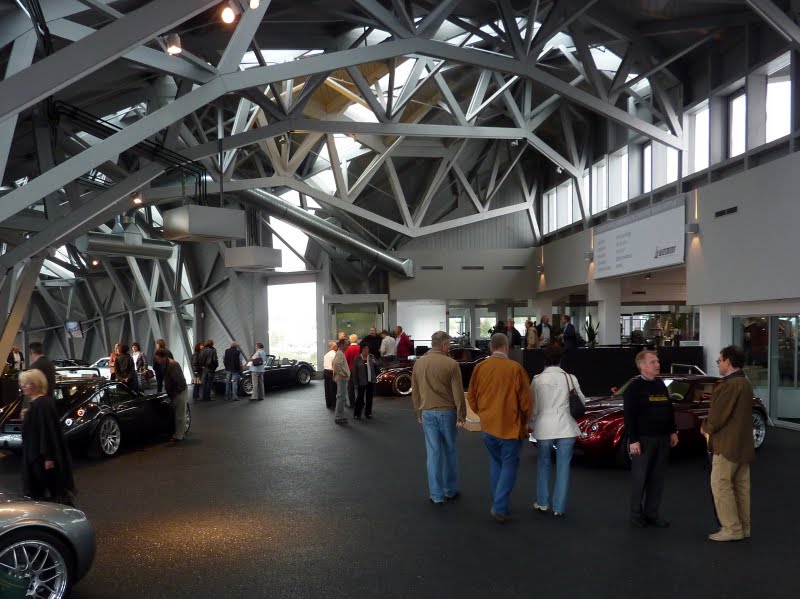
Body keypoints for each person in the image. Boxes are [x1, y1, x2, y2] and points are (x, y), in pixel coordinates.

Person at [468, 333, 532, 522]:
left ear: (491, 347)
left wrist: (483, 413)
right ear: (506, 346)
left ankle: (499, 501)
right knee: (509, 465)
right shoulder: (515, 368)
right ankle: (499, 507)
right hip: (510, 427)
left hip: (488, 427)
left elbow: (471, 396)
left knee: (496, 463)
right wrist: (527, 421)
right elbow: (526, 402)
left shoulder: (480, 367)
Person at [701, 345, 755, 542]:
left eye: (719, 361)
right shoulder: (745, 383)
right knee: (741, 488)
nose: (718, 364)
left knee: (720, 485)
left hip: (727, 445)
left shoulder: (729, 385)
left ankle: (731, 529)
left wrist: (706, 427)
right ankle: (744, 527)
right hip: (743, 445)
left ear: (728, 362)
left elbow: (717, 416)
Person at [623, 350, 679, 528]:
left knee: (657, 479)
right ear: (642, 366)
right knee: (640, 479)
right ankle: (636, 516)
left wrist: (672, 431)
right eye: (653, 362)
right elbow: (629, 417)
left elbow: (668, 409)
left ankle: (652, 514)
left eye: (658, 361)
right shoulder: (634, 388)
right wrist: (633, 440)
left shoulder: (661, 385)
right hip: (643, 440)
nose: (657, 364)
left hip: (662, 439)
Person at [529, 346, 586, 517]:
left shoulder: (537, 379)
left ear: (544, 360)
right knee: (563, 467)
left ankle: (542, 502)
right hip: (566, 427)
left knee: (543, 463)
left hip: (544, 427)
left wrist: (531, 423)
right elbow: (582, 401)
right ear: (561, 360)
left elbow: (533, 407)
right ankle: (559, 507)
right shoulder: (570, 378)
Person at [411, 331, 465, 505]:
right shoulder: (451, 364)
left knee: (433, 454)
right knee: (450, 451)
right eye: (448, 344)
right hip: (448, 412)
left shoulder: (419, 363)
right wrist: (461, 415)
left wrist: (418, 412)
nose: (449, 347)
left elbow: (415, 391)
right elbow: (458, 393)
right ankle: (450, 490)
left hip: (427, 412)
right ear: (443, 345)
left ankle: (436, 495)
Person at [19, 369, 75, 504]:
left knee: (50, 491)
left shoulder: (41, 404)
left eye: (27, 383)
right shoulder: (38, 404)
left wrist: (48, 457)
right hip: (37, 455)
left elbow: (47, 431)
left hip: (40, 457)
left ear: (36, 384)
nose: (23, 386)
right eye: (22, 383)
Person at [154, 349, 188, 442]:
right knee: (177, 414)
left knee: (180, 415)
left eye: (158, 359)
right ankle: (178, 434)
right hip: (176, 391)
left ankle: (179, 435)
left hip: (179, 391)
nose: (157, 361)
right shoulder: (167, 364)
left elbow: (180, 382)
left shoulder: (173, 365)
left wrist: (174, 393)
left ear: (162, 357)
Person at [352, 342, 378, 420]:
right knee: (360, 398)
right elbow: (354, 372)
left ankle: (368, 413)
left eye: (368, 348)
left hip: (371, 380)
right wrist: (355, 383)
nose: (367, 350)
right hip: (361, 381)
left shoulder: (371, 357)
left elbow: (377, 364)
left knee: (369, 398)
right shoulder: (357, 358)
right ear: (362, 349)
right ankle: (357, 414)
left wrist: (375, 362)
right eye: (365, 348)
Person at [332, 339, 350, 424]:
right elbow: (336, 365)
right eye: (346, 344)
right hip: (341, 378)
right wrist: (342, 374)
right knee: (341, 397)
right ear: (342, 345)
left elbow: (335, 364)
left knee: (342, 397)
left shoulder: (340, 353)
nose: (347, 346)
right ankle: (338, 417)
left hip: (341, 378)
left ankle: (340, 416)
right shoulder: (340, 353)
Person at [345, 334, 360, 408]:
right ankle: (361, 402)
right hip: (360, 369)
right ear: (356, 339)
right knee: (360, 386)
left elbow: (346, 360)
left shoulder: (348, 349)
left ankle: (352, 403)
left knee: (350, 387)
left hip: (350, 369)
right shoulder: (360, 348)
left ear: (350, 340)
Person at [322, 341, 338, 409]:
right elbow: (335, 365)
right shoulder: (335, 354)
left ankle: (328, 404)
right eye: (336, 346)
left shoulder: (326, 355)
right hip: (331, 372)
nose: (337, 347)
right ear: (334, 347)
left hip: (325, 371)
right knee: (333, 389)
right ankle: (333, 404)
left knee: (327, 389)